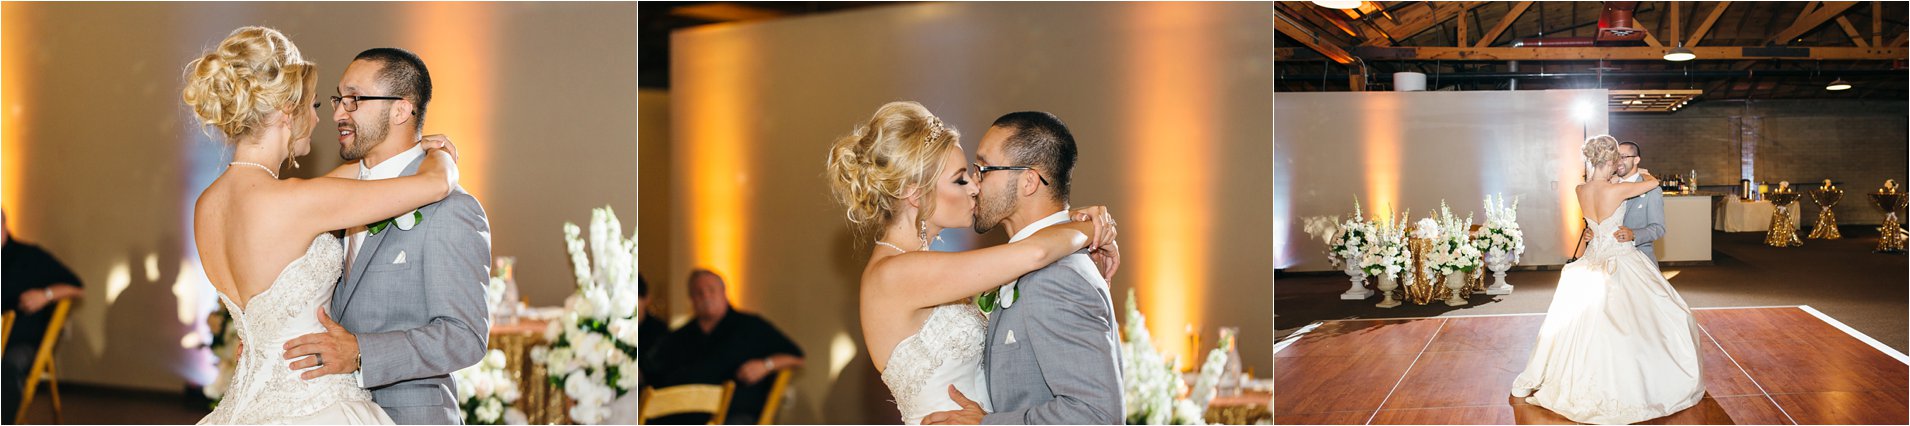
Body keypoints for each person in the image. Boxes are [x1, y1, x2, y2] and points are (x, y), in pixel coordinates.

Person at [181, 27, 472, 424]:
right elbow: (434, 184)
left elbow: (359, 175)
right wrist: (440, 156)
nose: (325, 116)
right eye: (317, 104)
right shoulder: (298, 202)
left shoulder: (208, 204)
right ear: (287, 112)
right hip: (313, 402)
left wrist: (411, 147)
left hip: (246, 403)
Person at [824, 102, 1120, 425]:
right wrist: (1092, 228)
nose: (975, 186)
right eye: (960, 179)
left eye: (976, 172)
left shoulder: (927, 268)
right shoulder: (895, 274)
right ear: (915, 193)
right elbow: (1034, 253)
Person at [283, 46, 494, 424]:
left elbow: (465, 337)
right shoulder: (335, 199)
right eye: (338, 99)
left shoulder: (451, 209)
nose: (337, 113)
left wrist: (362, 352)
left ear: (400, 109)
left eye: (354, 100)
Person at [922, 111, 1125, 425]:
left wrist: (987, 424)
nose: (975, 185)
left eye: (984, 169)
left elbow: (1097, 415)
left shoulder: (1057, 278)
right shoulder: (1029, 263)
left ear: (1029, 181)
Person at [1509, 135, 1705, 424]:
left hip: (1592, 260)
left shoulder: (1580, 189)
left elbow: (1594, 223)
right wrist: (1641, 169)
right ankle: (1635, 382)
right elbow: (1652, 182)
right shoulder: (1620, 190)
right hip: (1620, 260)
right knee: (1648, 320)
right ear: (1612, 160)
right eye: (1617, 158)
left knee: (1586, 327)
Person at [647, 269, 804, 424]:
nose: (705, 296)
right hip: (682, 414)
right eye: (698, 292)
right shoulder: (679, 336)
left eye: (711, 290)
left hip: (734, 414)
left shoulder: (751, 326)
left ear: (724, 293)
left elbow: (796, 357)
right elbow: (655, 371)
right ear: (691, 299)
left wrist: (766, 365)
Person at [2, 210, 85, 419]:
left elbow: (76, 287)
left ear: (3, 227)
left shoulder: (29, 256)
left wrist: (45, 295)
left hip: (20, 342)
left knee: (7, 368)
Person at [1577, 141, 1666, 262]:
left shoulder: (1652, 190)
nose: (1618, 161)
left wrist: (1633, 234)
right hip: (1603, 259)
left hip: (1639, 260)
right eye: (1616, 157)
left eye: (1623, 157)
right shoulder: (1607, 185)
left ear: (1636, 160)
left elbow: (1658, 228)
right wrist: (1595, 231)